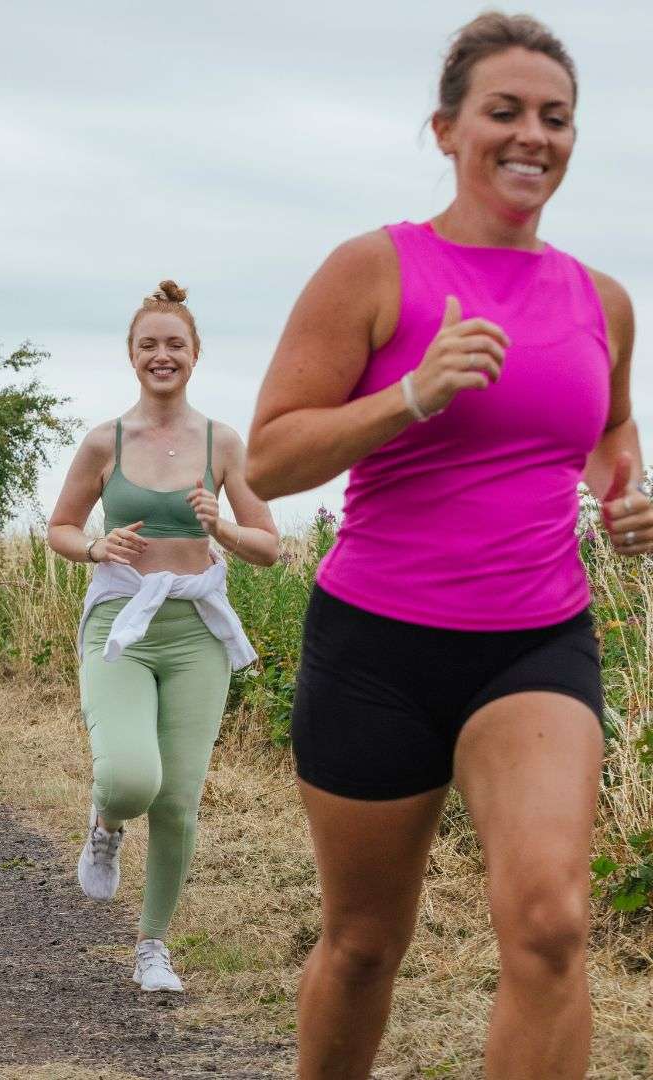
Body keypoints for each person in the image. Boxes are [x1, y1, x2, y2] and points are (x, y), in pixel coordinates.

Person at [244, 14, 640, 1077]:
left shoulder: (602, 300)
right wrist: (411, 397)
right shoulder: (375, 269)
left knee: (553, 925)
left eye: (555, 118)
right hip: (377, 645)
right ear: (446, 129)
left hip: (534, 644)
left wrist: (625, 495)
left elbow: (606, 431)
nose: (533, 136)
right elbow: (270, 462)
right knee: (367, 943)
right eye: (504, 112)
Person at [46, 280, 279, 994]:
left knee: (177, 800)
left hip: (195, 633)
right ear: (131, 354)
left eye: (174, 343)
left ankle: (153, 946)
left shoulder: (224, 442)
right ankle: (106, 820)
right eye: (149, 344)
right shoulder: (103, 442)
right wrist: (95, 548)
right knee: (130, 779)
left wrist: (222, 528)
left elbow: (269, 546)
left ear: (196, 354)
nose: (162, 355)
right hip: (120, 625)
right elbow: (58, 528)